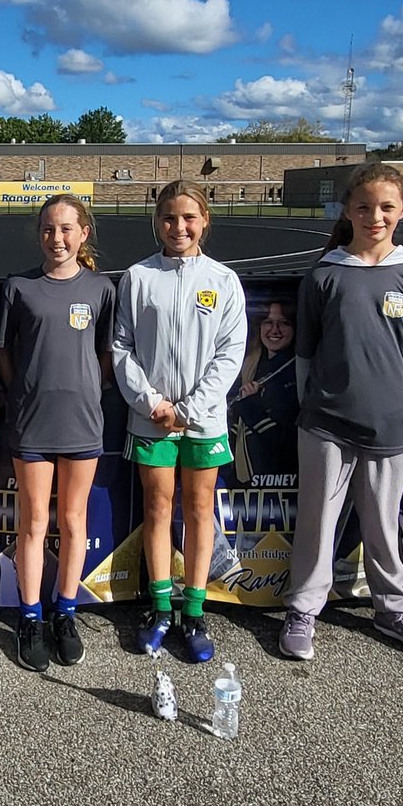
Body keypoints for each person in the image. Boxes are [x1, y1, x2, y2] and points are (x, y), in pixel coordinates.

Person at [279, 163, 403, 661]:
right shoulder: (324, 276)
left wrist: (395, 407)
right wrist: (315, 410)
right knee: (317, 522)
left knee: (383, 523)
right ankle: (304, 608)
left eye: (387, 207)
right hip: (326, 425)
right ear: (347, 210)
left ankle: (392, 608)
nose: (375, 216)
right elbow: (305, 356)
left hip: (390, 426)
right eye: (364, 207)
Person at [113, 179, 246, 662]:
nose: (179, 227)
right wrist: (151, 402)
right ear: (157, 222)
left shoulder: (223, 280)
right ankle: (161, 608)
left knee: (199, 510)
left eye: (189, 217)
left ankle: (194, 611)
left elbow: (230, 354)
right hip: (151, 418)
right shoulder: (138, 277)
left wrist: (188, 409)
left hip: (202, 420)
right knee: (157, 508)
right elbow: (121, 347)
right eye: (169, 218)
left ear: (204, 221)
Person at [0, 195, 114, 671]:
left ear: (83, 233)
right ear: (39, 233)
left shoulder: (101, 289)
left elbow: (107, 354)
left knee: (73, 519)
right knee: (32, 523)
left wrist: (86, 390)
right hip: (31, 422)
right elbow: (3, 352)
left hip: (81, 422)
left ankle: (65, 612)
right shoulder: (19, 287)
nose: (57, 238)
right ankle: (30, 617)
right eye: (48, 228)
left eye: (66, 229)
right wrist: (22, 393)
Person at [228, 299, 299, 486]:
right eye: (268, 322)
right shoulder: (245, 367)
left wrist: (250, 406)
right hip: (241, 483)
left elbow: (286, 441)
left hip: (281, 480)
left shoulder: (297, 372)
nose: (275, 330)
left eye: (284, 323)